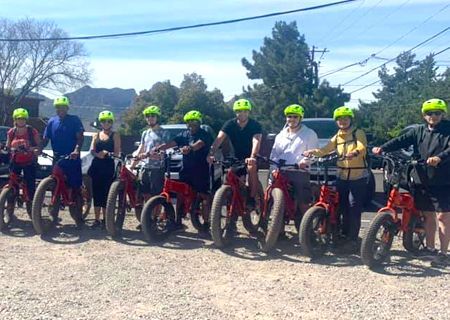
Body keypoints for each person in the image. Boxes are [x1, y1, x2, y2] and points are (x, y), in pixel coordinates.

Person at [372, 98, 450, 267]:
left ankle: (444, 252)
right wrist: (382, 148)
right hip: (421, 178)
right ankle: (430, 248)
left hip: (443, 179)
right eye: (430, 113)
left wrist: (439, 157)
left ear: (442, 114)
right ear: (424, 115)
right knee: (428, 215)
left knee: (443, 216)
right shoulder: (418, 131)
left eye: (437, 113)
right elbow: (401, 140)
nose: (433, 116)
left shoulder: (448, 129)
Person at [304, 106, 369, 252]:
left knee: (353, 207)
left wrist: (355, 152)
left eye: (345, 119)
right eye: (340, 119)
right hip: (342, 176)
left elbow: (362, 146)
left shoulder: (358, 133)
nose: (343, 121)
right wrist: (312, 152)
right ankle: (339, 234)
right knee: (341, 206)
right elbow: (325, 149)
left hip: (357, 176)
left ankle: (352, 239)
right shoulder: (337, 136)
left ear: (350, 120)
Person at [155, 110, 212, 228]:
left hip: (200, 170)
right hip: (185, 169)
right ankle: (178, 221)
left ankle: (207, 223)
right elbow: (173, 142)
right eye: (189, 122)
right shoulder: (184, 134)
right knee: (180, 193)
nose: (191, 124)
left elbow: (200, 144)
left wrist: (190, 148)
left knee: (203, 195)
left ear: (199, 122)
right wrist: (161, 148)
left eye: (194, 122)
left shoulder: (204, 133)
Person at [208, 99, 262, 207]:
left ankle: (251, 198)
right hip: (236, 157)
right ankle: (231, 201)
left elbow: (256, 141)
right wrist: (211, 153)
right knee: (230, 177)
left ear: (249, 112)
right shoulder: (229, 124)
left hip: (251, 156)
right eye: (239, 111)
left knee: (251, 168)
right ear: (235, 112)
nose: (242, 114)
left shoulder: (255, 125)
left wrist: (252, 156)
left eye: (245, 111)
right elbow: (219, 139)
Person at [269, 104, 319, 216]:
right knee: (273, 199)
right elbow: (274, 154)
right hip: (281, 171)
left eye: (295, 117)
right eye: (289, 116)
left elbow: (314, 153)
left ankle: (307, 228)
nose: (292, 119)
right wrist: (273, 167)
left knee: (303, 201)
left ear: (300, 118)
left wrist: (305, 162)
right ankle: (276, 228)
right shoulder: (280, 135)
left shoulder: (309, 134)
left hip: (299, 171)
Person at [42, 96, 84, 226]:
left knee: (74, 186)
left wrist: (76, 150)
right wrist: (37, 149)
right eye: (58, 107)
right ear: (56, 108)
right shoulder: (51, 121)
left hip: (72, 157)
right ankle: (53, 215)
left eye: (63, 107)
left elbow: (80, 138)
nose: (61, 109)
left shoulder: (74, 120)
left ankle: (78, 216)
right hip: (57, 158)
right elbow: (45, 139)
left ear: (67, 108)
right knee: (55, 185)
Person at [5, 108, 41, 219]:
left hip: (29, 161)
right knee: (12, 184)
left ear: (26, 120)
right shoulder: (11, 132)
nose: (21, 121)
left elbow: (39, 146)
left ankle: (31, 209)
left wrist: (34, 150)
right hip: (15, 161)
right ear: (15, 120)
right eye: (18, 118)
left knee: (30, 185)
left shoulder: (31, 131)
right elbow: (8, 146)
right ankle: (9, 209)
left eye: (23, 119)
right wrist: (6, 148)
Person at [88, 110, 121, 229]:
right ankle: (96, 219)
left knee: (106, 193)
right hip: (96, 166)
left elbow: (117, 152)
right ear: (100, 122)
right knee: (96, 193)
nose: (105, 123)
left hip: (108, 166)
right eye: (103, 121)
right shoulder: (96, 135)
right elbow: (92, 150)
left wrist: (108, 153)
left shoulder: (115, 135)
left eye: (108, 121)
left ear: (111, 122)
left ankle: (105, 219)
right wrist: (98, 155)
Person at [131, 105, 168, 201]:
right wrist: (133, 163)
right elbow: (141, 148)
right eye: (147, 116)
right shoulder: (145, 133)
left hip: (157, 168)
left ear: (157, 117)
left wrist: (150, 154)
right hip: (145, 167)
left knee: (156, 195)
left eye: (152, 115)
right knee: (145, 194)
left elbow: (164, 149)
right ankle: (147, 215)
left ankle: (155, 215)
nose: (150, 118)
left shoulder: (163, 132)